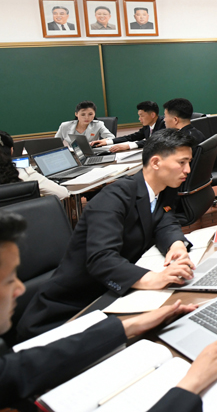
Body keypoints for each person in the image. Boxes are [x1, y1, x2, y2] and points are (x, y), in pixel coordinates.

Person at [0, 207, 217, 412]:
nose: (20, 289)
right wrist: (190, 385)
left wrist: (128, 326)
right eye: (8, 280)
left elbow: (22, 367)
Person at [17, 129, 200, 339]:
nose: (188, 170)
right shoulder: (114, 198)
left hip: (109, 296)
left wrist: (176, 244)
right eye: (182, 162)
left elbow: (163, 219)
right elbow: (101, 259)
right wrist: (153, 278)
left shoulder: (164, 188)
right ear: (156, 162)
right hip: (69, 312)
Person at [93, 100, 165, 152]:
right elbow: (132, 137)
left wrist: (128, 146)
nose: (139, 119)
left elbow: (154, 141)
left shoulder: (163, 123)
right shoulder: (147, 125)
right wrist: (109, 141)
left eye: (141, 116)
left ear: (152, 115)